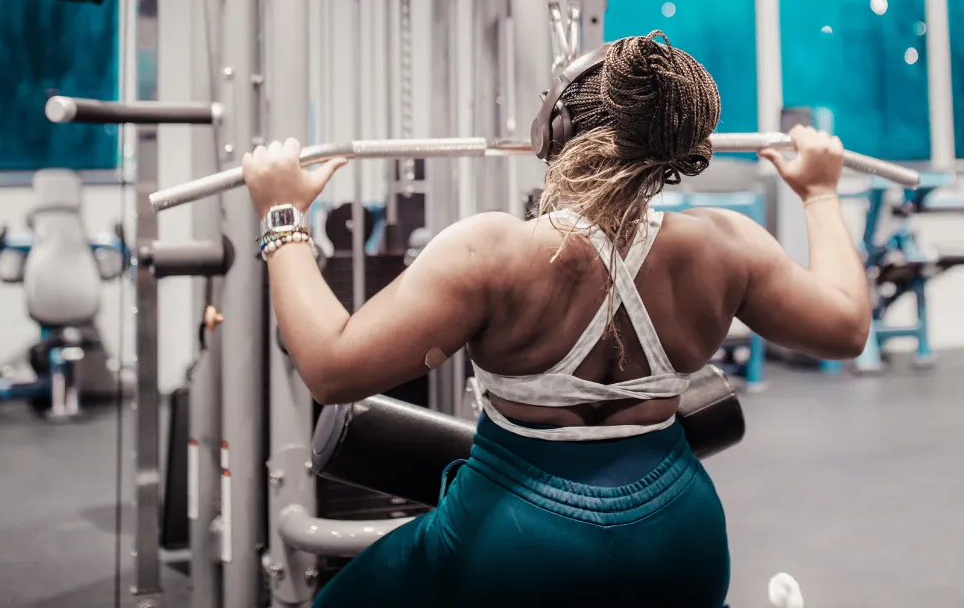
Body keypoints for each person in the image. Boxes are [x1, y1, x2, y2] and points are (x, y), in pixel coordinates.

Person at [243, 32, 870, 608]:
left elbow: (330, 368)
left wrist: (282, 213)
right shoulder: (726, 246)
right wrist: (819, 192)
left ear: (555, 130)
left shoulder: (491, 253)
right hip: (679, 535)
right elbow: (846, 328)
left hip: (520, 535)